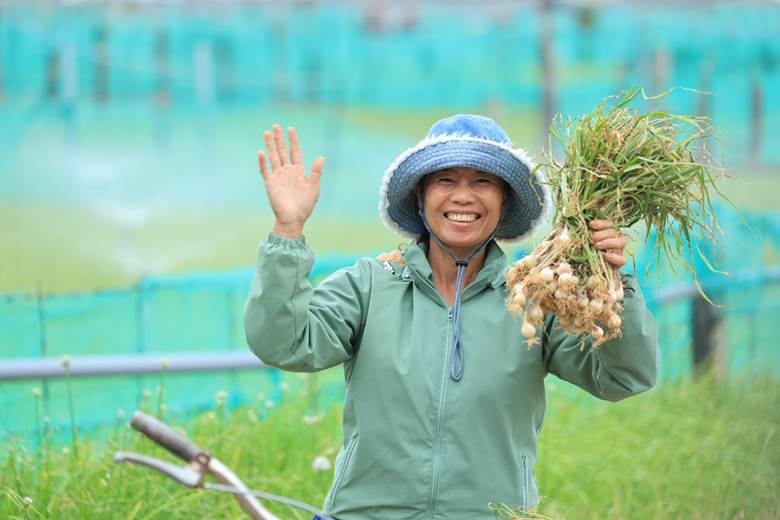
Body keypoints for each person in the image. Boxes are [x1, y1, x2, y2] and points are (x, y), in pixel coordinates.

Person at [244, 115, 659, 519]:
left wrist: (612, 282)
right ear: (421, 197)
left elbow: (624, 377)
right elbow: (285, 343)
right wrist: (288, 229)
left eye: (483, 181)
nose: (463, 196)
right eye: (445, 180)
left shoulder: (535, 297)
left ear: (504, 200)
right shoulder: (369, 286)